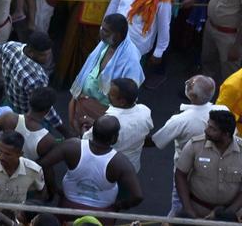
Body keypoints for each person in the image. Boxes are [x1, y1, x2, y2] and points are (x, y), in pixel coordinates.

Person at [153, 75, 227, 216]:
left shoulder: (180, 120)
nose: (187, 83)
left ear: (192, 95)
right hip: (214, 167)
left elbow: (158, 141)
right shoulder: (223, 110)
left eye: (190, 84)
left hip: (186, 171)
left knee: (178, 205)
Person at [41, 116, 143, 213]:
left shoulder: (71, 146)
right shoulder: (121, 162)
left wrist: (53, 189)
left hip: (69, 199)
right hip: (103, 207)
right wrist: (118, 206)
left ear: (92, 131)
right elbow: (137, 196)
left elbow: (44, 164)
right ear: (114, 138)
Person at [69, 14, 146, 131]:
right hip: (83, 108)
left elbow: (127, 98)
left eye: (105, 30)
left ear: (118, 35)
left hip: (105, 117)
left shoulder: (131, 60)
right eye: (102, 28)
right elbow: (85, 74)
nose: (101, 32)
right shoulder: (104, 45)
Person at [174, 109, 242, 218]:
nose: (206, 130)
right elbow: (180, 175)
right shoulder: (194, 145)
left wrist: (230, 212)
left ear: (226, 134)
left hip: (230, 215)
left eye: (212, 129)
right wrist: (188, 208)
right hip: (197, 212)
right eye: (208, 125)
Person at [82, 78, 152, 171]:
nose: (107, 95)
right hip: (133, 166)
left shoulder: (111, 121)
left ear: (122, 102)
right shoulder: (145, 111)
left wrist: (83, 129)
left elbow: (86, 140)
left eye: (111, 95)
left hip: (109, 168)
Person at [0, 130, 45, 210]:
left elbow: (42, 193)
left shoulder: (34, 171)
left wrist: (28, 213)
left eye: (7, 154)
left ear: (20, 154)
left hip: (15, 220)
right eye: (0, 151)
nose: (1, 157)